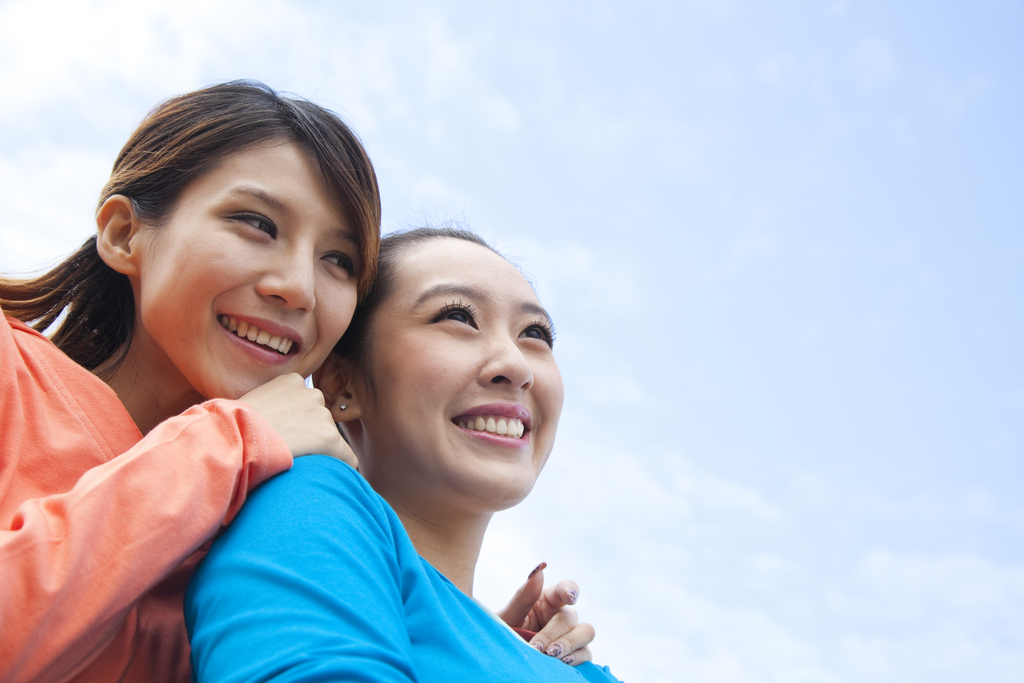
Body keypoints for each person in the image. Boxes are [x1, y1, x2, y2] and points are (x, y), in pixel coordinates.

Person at [1, 82, 587, 683]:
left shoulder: (248, 518)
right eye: (257, 224)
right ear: (125, 233)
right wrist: (228, 443)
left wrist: (464, 642)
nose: (299, 288)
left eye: (338, 261)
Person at [186, 228, 623, 682]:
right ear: (341, 382)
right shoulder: (308, 496)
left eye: (535, 333)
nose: (515, 366)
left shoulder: (578, 666)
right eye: (458, 317)